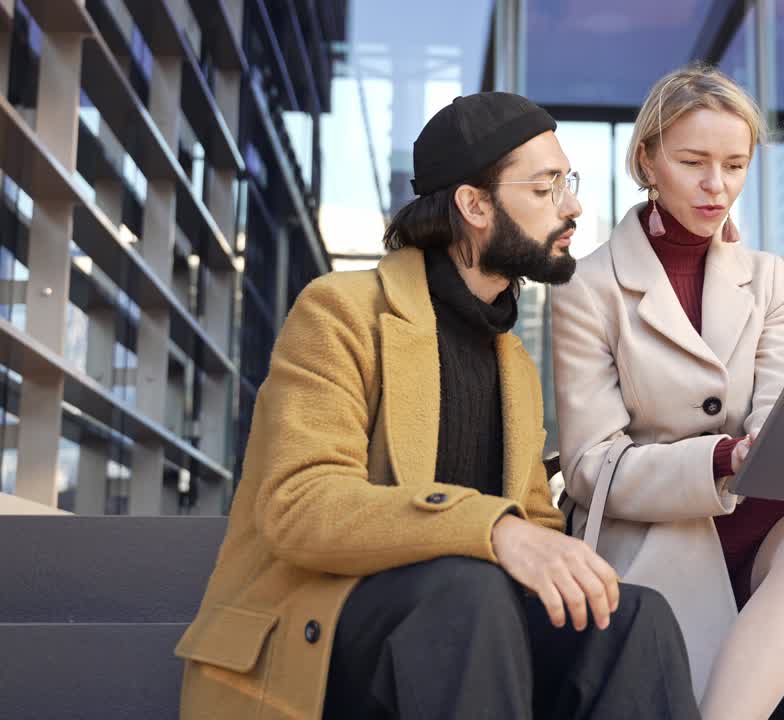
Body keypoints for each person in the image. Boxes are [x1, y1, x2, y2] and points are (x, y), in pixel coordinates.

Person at [174, 92, 700, 720]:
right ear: (474, 205)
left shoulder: (513, 361)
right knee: (467, 591)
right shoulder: (341, 309)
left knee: (631, 617)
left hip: (470, 643)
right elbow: (301, 505)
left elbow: (533, 521)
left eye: (570, 183)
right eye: (546, 188)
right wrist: (490, 528)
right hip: (325, 639)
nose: (572, 206)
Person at [551, 64, 784, 720]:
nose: (719, 186)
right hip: (665, 527)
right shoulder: (586, 287)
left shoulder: (767, 278)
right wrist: (722, 458)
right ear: (648, 160)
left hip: (757, 512)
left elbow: (776, 408)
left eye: (736, 165)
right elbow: (588, 467)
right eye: (694, 162)